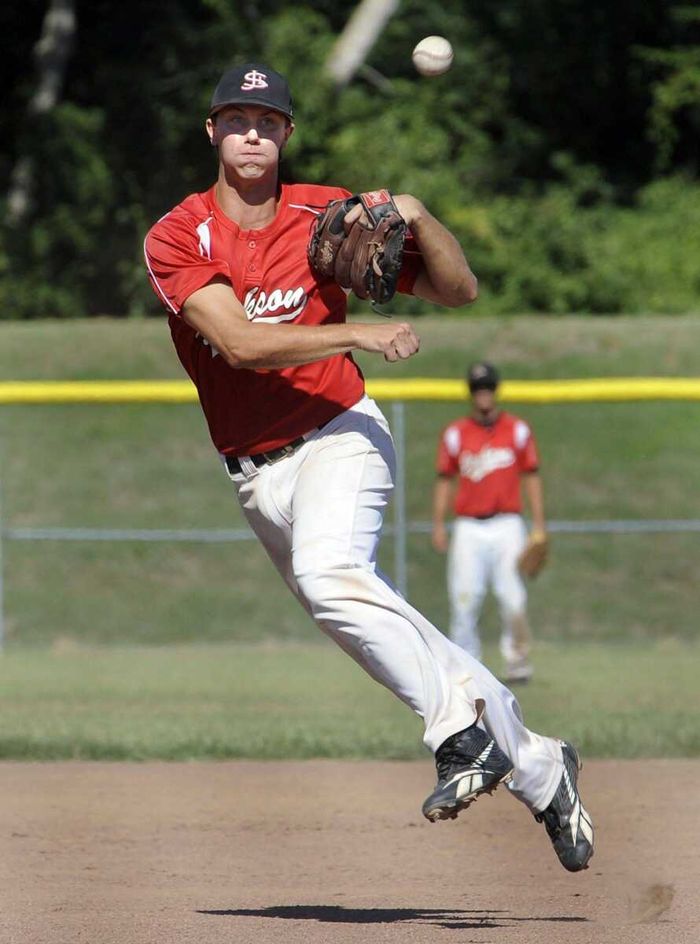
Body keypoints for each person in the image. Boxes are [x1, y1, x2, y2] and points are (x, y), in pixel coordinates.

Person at [143, 62, 593, 872]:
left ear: (287, 133)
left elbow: (458, 290)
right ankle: (539, 765)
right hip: (255, 476)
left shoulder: (328, 216)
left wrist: (418, 215)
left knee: (330, 577)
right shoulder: (178, 235)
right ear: (212, 131)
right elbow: (238, 343)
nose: (252, 133)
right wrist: (356, 332)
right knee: (365, 612)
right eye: (237, 118)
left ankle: (459, 737)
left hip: (339, 434)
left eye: (267, 120)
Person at [432, 362, 546, 683]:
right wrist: (438, 523)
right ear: (471, 394)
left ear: (496, 391)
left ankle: (518, 663)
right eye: (478, 389)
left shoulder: (517, 430)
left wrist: (539, 525)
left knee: (513, 598)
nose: (483, 394)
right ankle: (466, 666)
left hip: (508, 524)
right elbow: (444, 479)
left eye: (488, 388)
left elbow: (531, 476)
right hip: (468, 527)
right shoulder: (455, 434)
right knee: (464, 598)